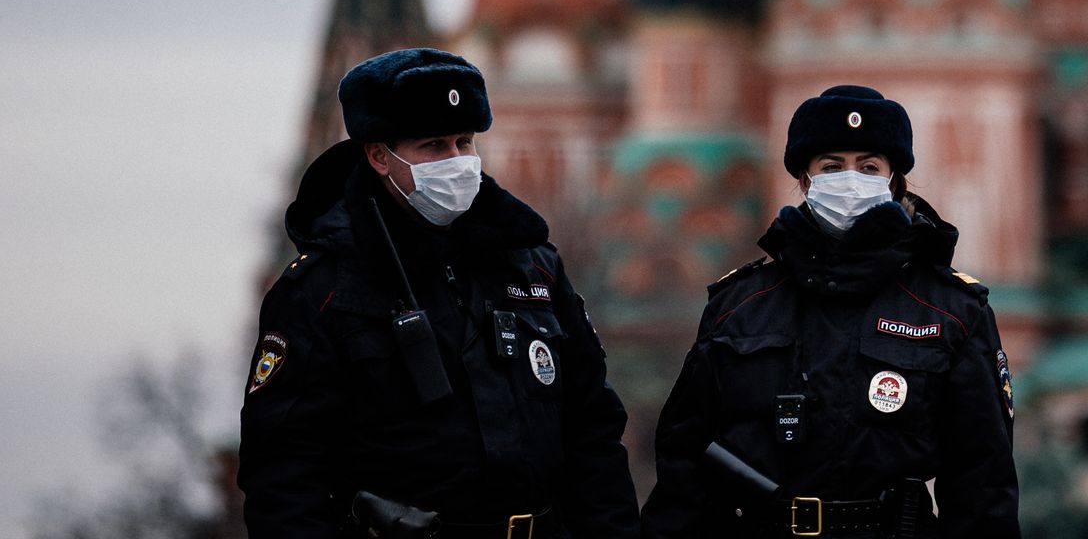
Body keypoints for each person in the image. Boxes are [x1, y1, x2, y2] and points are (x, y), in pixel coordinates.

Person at [239, 47, 643, 538]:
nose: (456, 162)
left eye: (464, 142)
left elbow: (593, 434)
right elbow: (284, 475)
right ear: (378, 156)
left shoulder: (533, 267)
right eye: (433, 146)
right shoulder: (324, 290)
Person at [640, 85, 1020, 539]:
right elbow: (685, 464)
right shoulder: (740, 305)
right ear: (805, 178)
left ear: (893, 179)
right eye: (832, 166)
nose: (850, 179)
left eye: (869, 166)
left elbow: (983, 484)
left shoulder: (950, 310)